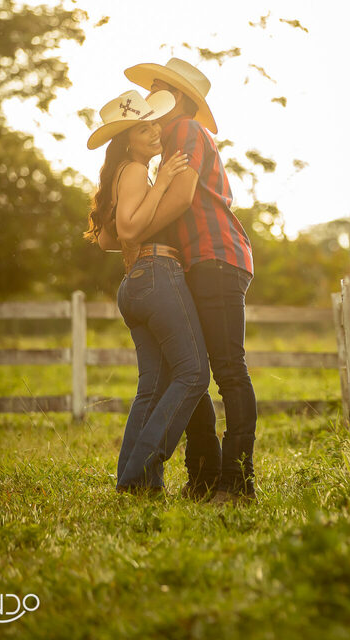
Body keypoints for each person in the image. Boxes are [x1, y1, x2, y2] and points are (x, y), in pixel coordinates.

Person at [123, 57, 258, 502]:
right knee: (192, 366)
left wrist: (134, 230)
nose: (149, 99)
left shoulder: (184, 130)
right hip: (196, 262)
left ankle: (238, 481)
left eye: (158, 89)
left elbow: (180, 198)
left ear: (176, 98)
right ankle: (202, 475)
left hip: (215, 256)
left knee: (227, 370)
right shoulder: (163, 148)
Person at [84, 89, 218, 494]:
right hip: (159, 275)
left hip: (136, 284)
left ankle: (134, 483)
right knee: (194, 373)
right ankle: (142, 470)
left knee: (152, 386)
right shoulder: (136, 171)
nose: (155, 130)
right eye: (144, 127)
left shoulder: (120, 174)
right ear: (127, 138)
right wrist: (161, 182)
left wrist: (139, 231)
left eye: (155, 122)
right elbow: (126, 230)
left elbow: (107, 237)